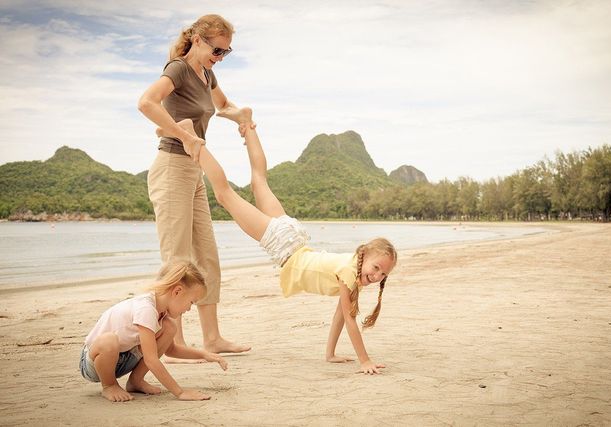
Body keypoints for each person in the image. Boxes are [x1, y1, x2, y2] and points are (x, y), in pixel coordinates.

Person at [157, 109, 398, 375]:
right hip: (285, 244)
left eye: (383, 273)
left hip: (293, 235)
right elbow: (350, 320)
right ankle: (191, 138)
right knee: (224, 194)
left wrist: (329, 354)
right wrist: (364, 361)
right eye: (376, 267)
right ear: (365, 255)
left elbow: (342, 315)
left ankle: (248, 125)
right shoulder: (350, 274)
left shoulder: (353, 270)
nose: (377, 275)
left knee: (259, 179)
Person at [137, 14, 251, 359]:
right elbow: (146, 103)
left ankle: (212, 338)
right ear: (199, 40)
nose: (220, 56)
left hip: (194, 170)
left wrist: (241, 114)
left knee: (206, 257)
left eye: (226, 52)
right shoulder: (178, 69)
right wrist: (183, 133)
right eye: (217, 49)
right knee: (178, 261)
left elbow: (223, 105)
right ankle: (172, 340)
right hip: (171, 167)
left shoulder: (207, 74)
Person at [79, 262, 228, 402]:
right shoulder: (146, 309)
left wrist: (204, 354)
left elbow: (171, 350)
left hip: (122, 359)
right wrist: (180, 392)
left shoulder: (161, 314)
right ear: (177, 291)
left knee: (169, 327)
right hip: (94, 363)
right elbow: (151, 359)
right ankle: (109, 385)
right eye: (191, 302)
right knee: (109, 341)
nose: (189, 309)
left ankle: (136, 381)